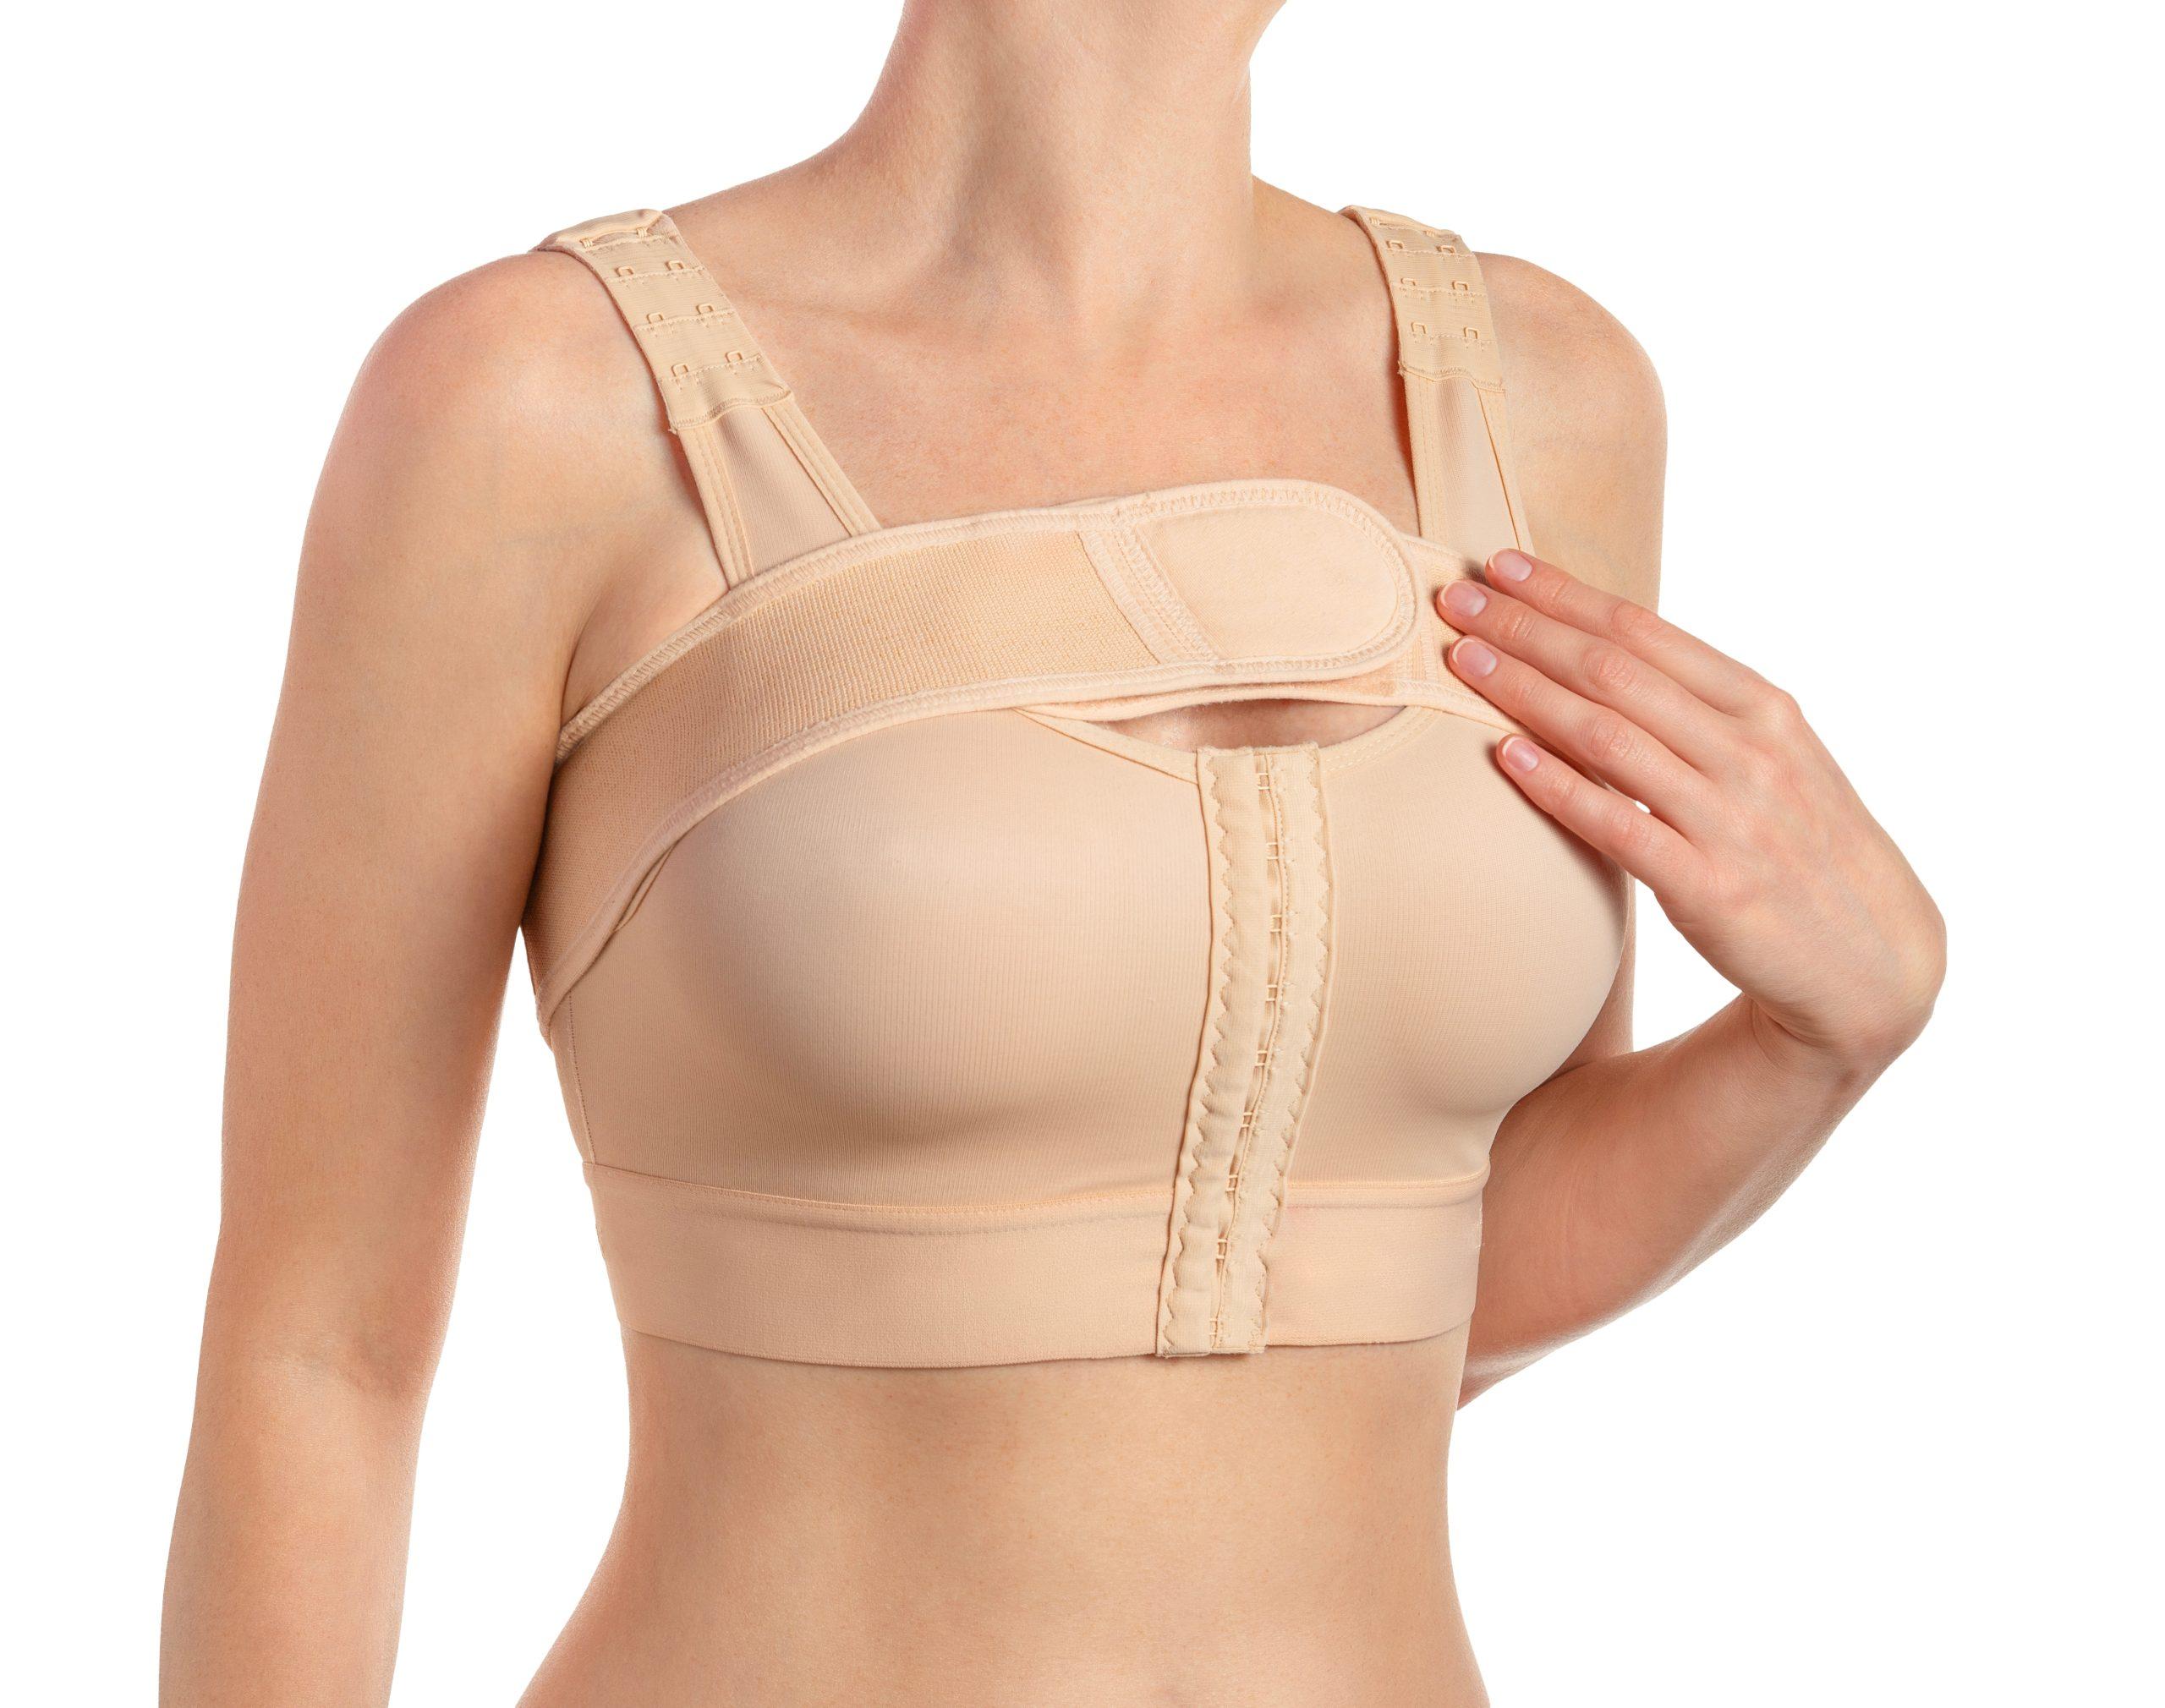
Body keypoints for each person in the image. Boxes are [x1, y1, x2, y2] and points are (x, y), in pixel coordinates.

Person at [159, 2, 1945, 1702]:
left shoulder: (1542, 397)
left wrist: (1821, 1039)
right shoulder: (534, 404)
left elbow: (1447, 1265)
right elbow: (318, 1357)